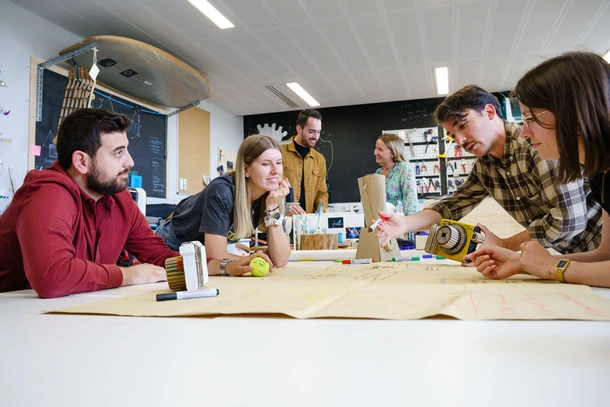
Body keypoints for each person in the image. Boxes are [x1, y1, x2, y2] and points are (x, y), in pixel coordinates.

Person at [375, 84, 602, 254]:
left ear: (490, 112)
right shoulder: (486, 166)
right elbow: (452, 205)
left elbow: (569, 220)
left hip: (601, 249)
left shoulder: (537, 145)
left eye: (463, 126)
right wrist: (405, 223)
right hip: (577, 258)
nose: (461, 140)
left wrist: (505, 245)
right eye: (453, 135)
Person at [467, 51, 610, 288]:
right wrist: (520, 262)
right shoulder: (601, 173)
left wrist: (552, 268)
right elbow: (605, 257)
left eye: (530, 118)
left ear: (573, 114)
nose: (524, 132)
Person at [0, 109, 177, 297]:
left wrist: (209, 264)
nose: (130, 161)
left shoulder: (119, 198)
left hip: (72, 310)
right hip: (14, 315)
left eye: (126, 150)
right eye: (118, 153)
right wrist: (130, 275)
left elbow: (159, 256)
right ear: (81, 161)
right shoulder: (47, 192)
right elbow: (52, 276)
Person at [156, 134, 291, 273]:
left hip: (203, 253)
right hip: (172, 244)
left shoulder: (273, 196)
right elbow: (216, 258)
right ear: (246, 169)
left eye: (279, 163)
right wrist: (248, 260)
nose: (276, 171)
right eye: (266, 164)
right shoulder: (221, 192)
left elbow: (280, 260)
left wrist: (272, 208)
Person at [280, 109, 328, 215]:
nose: (315, 137)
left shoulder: (319, 159)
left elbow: (321, 192)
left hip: (308, 223)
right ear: (299, 129)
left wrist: (322, 208)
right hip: (283, 220)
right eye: (311, 132)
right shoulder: (279, 152)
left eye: (318, 132)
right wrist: (287, 207)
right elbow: (271, 187)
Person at [374, 133, 418, 215]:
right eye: (376, 148)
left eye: (380, 149)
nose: (375, 152)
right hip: (381, 223)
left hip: (400, 223)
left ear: (393, 153)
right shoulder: (378, 173)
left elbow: (411, 203)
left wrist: (408, 224)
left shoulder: (404, 169)